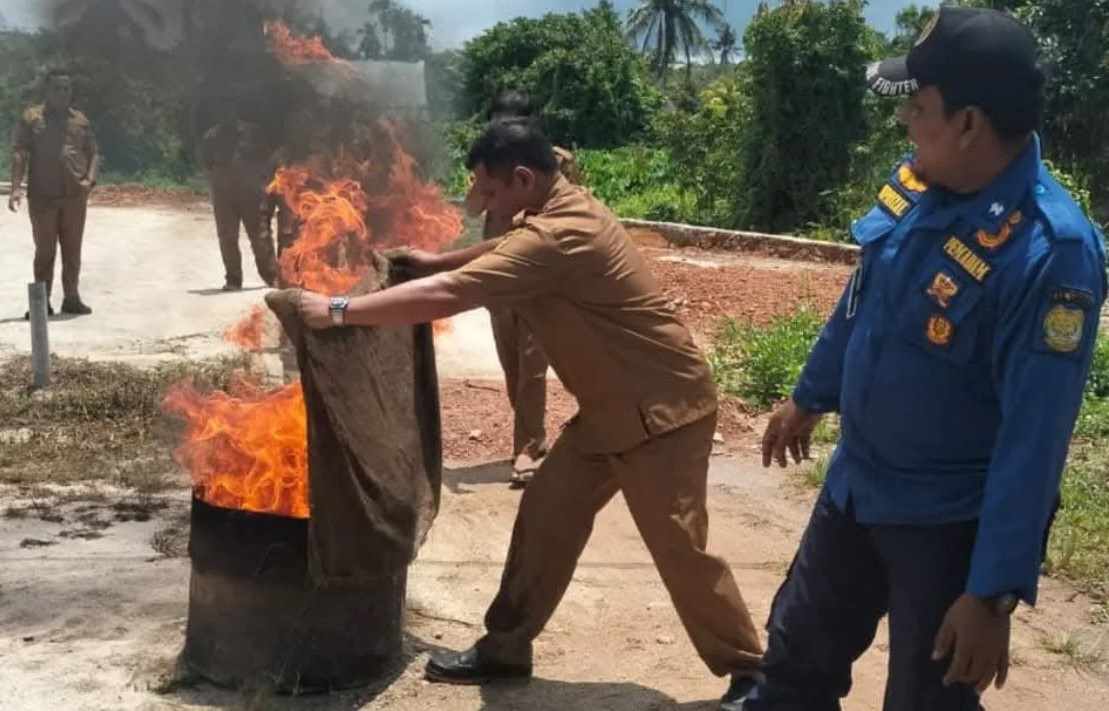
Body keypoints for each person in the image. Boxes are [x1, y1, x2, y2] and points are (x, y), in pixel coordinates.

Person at [297, 119, 764, 708]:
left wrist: (339, 309)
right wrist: (440, 260)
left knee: (680, 549)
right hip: (610, 411)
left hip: (661, 412)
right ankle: (506, 647)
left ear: (522, 178)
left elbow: (452, 297)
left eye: (489, 193)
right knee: (545, 515)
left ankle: (753, 673)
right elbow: (500, 249)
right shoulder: (559, 209)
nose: (484, 205)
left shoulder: (560, 236)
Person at [748, 8, 1106, 711]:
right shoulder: (919, 184)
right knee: (792, 665)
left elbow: (1033, 440)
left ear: (968, 124)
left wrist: (991, 593)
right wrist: (809, 393)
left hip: (944, 527)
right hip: (855, 490)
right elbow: (864, 298)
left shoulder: (1048, 252)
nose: (906, 124)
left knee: (923, 701)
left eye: (917, 108)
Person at [463, 90, 581, 486]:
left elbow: (567, 212)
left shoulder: (555, 162)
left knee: (533, 365)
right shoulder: (488, 164)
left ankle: (527, 448)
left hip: (536, 277)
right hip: (500, 278)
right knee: (512, 363)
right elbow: (473, 209)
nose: (504, 130)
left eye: (512, 124)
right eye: (498, 123)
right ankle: (534, 438)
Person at [8, 68, 99, 318]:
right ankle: (41, 303)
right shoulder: (32, 118)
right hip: (43, 198)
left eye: (67, 88)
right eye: (57, 88)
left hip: (74, 198)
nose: (63, 93)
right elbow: (20, 153)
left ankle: (72, 298)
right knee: (45, 251)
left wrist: (89, 181)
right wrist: (16, 188)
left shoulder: (80, 120)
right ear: (47, 90)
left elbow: (93, 153)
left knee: (72, 250)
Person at [199, 97, 277, 291]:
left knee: (260, 237)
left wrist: (264, 185)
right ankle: (233, 279)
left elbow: (267, 159)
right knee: (227, 237)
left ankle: (271, 277)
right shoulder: (211, 136)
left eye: (229, 109)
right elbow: (207, 163)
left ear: (236, 110)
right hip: (223, 196)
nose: (226, 114)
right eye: (221, 110)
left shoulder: (253, 133)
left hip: (251, 195)